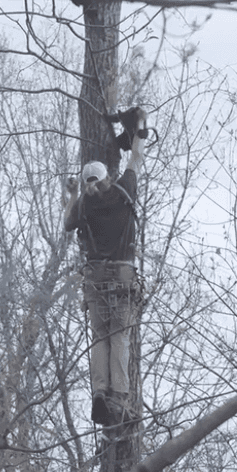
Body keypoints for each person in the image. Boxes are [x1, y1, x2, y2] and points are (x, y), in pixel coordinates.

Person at [64, 109, 146, 425]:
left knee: (100, 337)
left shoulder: (84, 204)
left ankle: (100, 391)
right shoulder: (124, 189)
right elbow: (136, 158)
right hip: (123, 276)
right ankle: (119, 399)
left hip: (95, 278)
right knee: (119, 337)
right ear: (107, 177)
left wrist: (72, 194)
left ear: (87, 184)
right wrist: (138, 129)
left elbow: (69, 223)